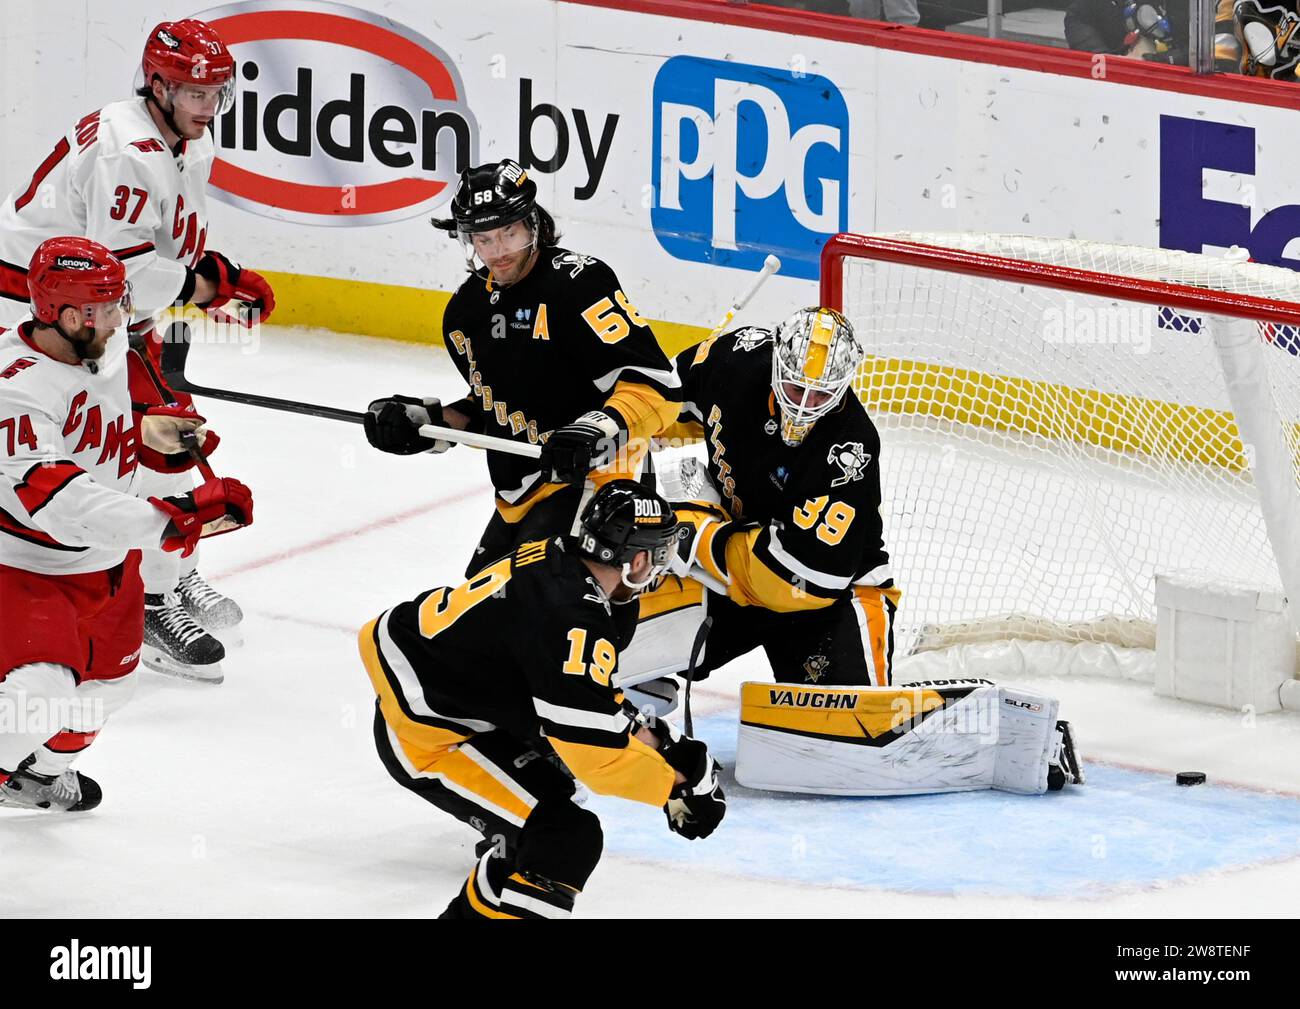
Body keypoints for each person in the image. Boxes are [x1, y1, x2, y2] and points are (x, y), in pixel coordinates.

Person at [0, 19, 276, 681]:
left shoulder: (182, 141)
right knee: (123, 451)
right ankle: (147, 601)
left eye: (215, 93)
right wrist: (209, 288)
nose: (208, 108)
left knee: (163, 440)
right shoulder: (128, 150)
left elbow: (161, 248)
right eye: (192, 94)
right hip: (47, 313)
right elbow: (124, 268)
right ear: (156, 85)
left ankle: (170, 575)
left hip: (103, 311)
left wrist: (211, 271)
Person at [359, 481, 724, 918]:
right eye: (659, 556)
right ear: (638, 559)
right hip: (430, 735)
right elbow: (595, 755)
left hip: (457, 705)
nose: (662, 569)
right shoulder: (575, 617)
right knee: (563, 837)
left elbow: (592, 702)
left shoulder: (559, 561)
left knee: (537, 836)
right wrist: (673, 785)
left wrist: (665, 747)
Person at [0, 238, 254, 810]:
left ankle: (38, 779)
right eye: (111, 305)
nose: (124, 316)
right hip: (27, 567)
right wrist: (172, 519)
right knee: (37, 696)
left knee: (108, 689)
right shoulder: (13, 388)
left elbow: (101, 431)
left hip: (109, 566)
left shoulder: (105, 345)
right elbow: (65, 503)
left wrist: (157, 438)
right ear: (69, 316)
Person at [364, 160, 681, 576]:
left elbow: (657, 388)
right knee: (474, 618)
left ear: (533, 224)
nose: (498, 251)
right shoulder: (465, 313)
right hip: (520, 496)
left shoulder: (579, 285)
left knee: (531, 620)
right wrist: (428, 424)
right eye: (483, 238)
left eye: (508, 233)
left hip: (599, 488)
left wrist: (593, 430)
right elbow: (495, 413)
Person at [622, 308, 898, 705]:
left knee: (844, 724)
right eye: (795, 387)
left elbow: (805, 578)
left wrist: (696, 534)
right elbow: (660, 403)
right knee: (611, 637)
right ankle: (635, 686)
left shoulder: (850, 447)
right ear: (775, 363)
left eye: (821, 393)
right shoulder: (734, 361)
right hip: (733, 569)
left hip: (824, 599)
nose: (804, 405)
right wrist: (629, 428)